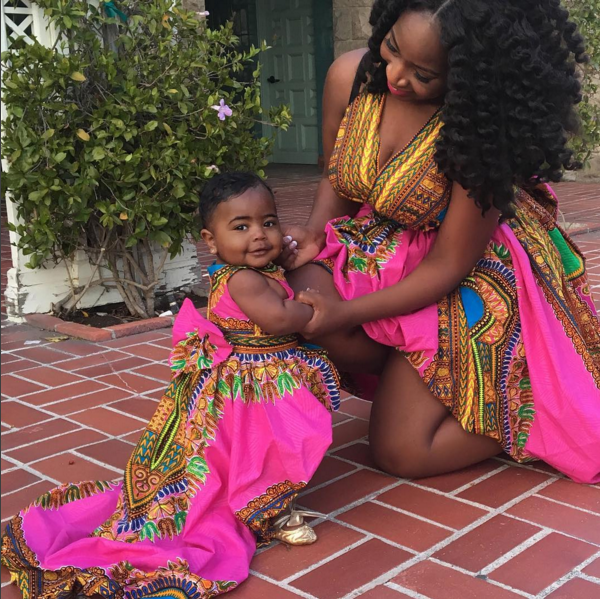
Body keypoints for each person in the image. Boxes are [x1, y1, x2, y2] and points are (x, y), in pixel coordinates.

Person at [281, 0, 600, 484]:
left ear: (468, 77)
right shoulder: (352, 75)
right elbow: (340, 181)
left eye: (423, 73)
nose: (396, 75)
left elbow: (450, 264)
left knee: (402, 451)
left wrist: (347, 312)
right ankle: (426, 378)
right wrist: (312, 237)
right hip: (383, 249)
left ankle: (528, 399)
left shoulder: (479, 131)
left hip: (471, 275)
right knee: (302, 306)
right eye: (392, 49)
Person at [1, 172, 340, 598]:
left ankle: (268, 500)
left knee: (264, 449)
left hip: (259, 377)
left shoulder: (253, 269)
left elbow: (283, 264)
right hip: (253, 387)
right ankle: (268, 510)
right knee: (272, 445)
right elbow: (276, 319)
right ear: (210, 240)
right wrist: (310, 309)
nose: (258, 235)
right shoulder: (243, 279)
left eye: (268, 222)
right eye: (241, 227)